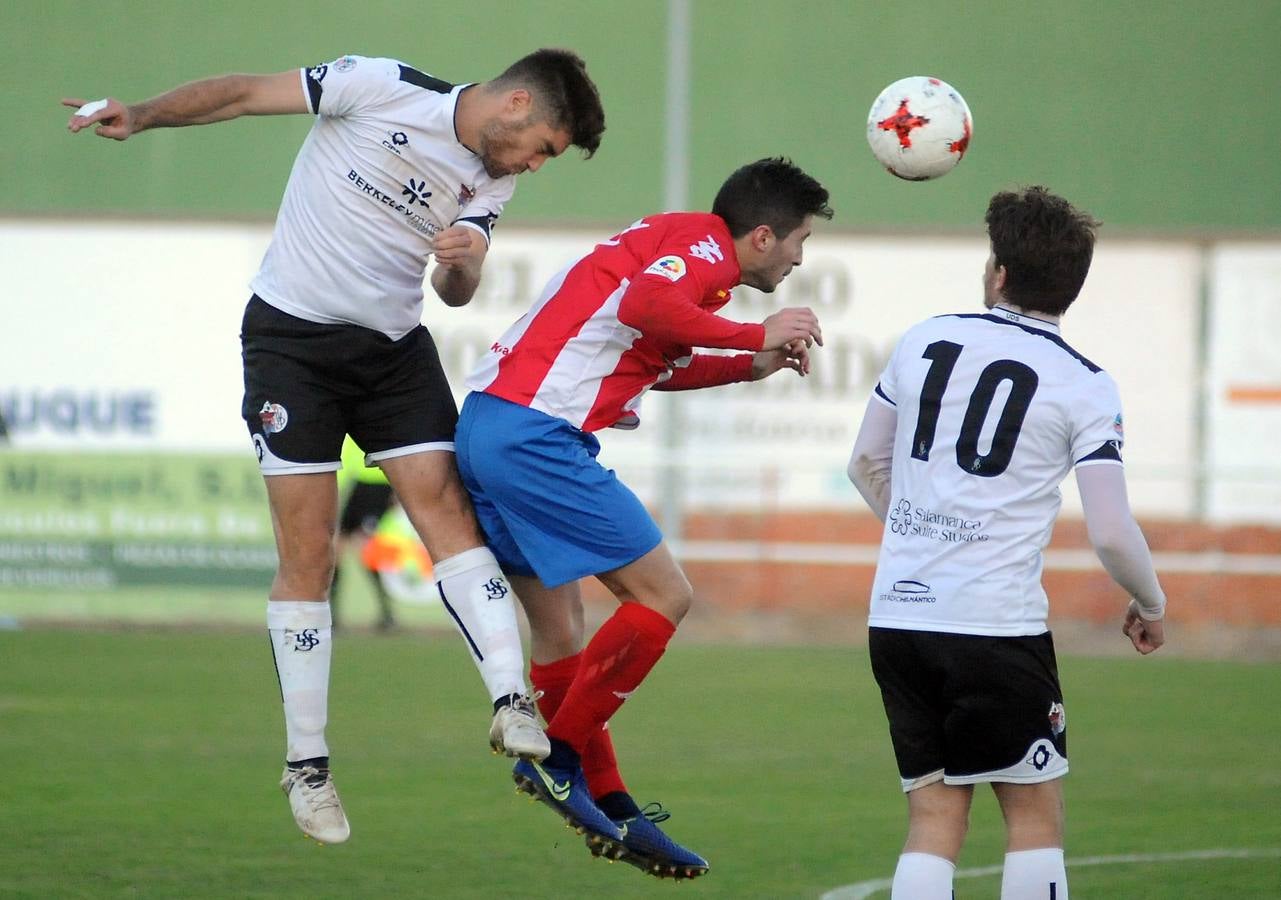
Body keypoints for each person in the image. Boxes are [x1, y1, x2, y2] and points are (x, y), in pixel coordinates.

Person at [64, 49, 606, 845]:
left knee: (448, 513)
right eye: (543, 146)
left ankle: (509, 699)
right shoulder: (376, 84)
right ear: (517, 103)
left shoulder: (492, 179)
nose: (534, 164)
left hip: (391, 349)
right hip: (291, 343)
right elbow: (243, 90)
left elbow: (455, 285)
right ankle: (307, 766)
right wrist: (142, 114)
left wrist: (462, 266)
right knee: (308, 555)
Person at [454, 157, 833, 878]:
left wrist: (755, 364)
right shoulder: (698, 248)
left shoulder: (671, 248)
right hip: (537, 435)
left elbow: (656, 355)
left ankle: (613, 806)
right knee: (665, 594)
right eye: (798, 242)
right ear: (760, 236)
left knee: (562, 631)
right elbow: (643, 312)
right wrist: (756, 334)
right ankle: (557, 761)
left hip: (489, 427)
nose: (797, 259)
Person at [846, 185, 1167, 899]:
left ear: (997, 272)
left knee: (932, 816)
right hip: (992, 624)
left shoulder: (924, 338)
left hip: (898, 618)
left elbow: (865, 462)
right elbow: (1111, 531)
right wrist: (1150, 599)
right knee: (1032, 812)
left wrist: (919, 536)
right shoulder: (1084, 384)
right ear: (1071, 289)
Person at [332, 436, 398, 631]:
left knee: (364, 547)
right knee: (337, 549)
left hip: (380, 484)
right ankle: (333, 614)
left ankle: (387, 615)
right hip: (357, 485)